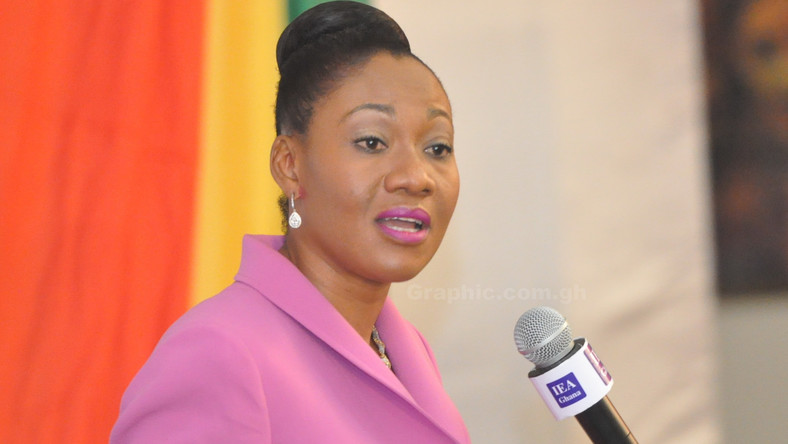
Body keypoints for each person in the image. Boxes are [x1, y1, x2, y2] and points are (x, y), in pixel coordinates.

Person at [110, 2, 468, 443]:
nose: (416, 177)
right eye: (372, 142)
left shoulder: (407, 351)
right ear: (290, 165)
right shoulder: (219, 352)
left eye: (437, 148)